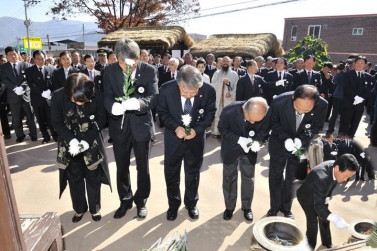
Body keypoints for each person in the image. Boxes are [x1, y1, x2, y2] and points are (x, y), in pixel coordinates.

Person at [103, 38, 158, 219]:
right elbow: (107, 96)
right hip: (119, 127)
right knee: (121, 167)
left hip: (141, 125)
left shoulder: (149, 70)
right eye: (123, 64)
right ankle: (125, 200)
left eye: (133, 64)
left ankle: (141, 201)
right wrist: (112, 107)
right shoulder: (109, 71)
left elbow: (153, 96)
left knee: (143, 167)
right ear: (116, 58)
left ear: (138, 58)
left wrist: (140, 103)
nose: (129, 68)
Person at [157, 65, 216, 221]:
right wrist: (175, 127)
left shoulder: (209, 90)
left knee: (193, 173)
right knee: (171, 174)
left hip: (195, 140)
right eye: (185, 92)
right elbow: (162, 113)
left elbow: (210, 114)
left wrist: (197, 130)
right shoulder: (166, 89)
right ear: (178, 84)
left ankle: (191, 204)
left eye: (193, 92)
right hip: (173, 139)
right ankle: (173, 205)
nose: (189, 96)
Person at [51, 73, 111, 223]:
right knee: (74, 177)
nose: (80, 104)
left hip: (91, 142)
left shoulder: (97, 95)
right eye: (76, 100)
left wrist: (87, 141)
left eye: (84, 101)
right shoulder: (58, 96)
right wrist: (71, 141)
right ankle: (79, 209)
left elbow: (101, 119)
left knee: (93, 177)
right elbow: (57, 122)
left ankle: (94, 208)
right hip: (69, 144)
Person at [267, 85, 328, 219]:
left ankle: (286, 208)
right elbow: (272, 122)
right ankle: (274, 207)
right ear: (293, 97)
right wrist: (286, 139)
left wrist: (302, 140)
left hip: (299, 147)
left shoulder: (323, 105)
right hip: (278, 143)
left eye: (306, 110)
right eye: (298, 107)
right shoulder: (279, 101)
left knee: (291, 178)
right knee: (276, 176)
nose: (301, 112)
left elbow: (317, 127)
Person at [218, 97, 271, 221]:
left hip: (250, 152)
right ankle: (229, 207)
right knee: (229, 178)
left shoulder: (266, 112)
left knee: (248, 178)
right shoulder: (229, 111)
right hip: (231, 149)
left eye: (257, 120)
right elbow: (222, 129)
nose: (253, 123)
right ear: (243, 109)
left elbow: (264, 131)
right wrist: (240, 140)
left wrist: (255, 142)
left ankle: (247, 207)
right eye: (250, 119)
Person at [297, 154, 359, 250]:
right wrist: (334, 218)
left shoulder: (334, 167)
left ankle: (327, 243)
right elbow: (317, 206)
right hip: (307, 197)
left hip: (320, 195)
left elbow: (331, 184)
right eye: (346, 176)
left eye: (349, 177)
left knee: (325, 218)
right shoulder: (321, 177)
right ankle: (310, 247)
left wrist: (327, 198)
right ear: (338, 168)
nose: (346, 179)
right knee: (312, 222)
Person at [1, 46, 37, 142]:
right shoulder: (4, 67)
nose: (13, 56)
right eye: (10, 55)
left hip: (25, 95)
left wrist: (23, 87)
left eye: (15, 54)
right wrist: (14, 88)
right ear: (7, 56)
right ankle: (20, 135)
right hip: (13, 96)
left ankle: (33, 134)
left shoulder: (25, 65)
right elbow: (4, 79)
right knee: (16, 117)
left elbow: (28, 78)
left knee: (30, 116)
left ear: (17, 54)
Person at [25, 50, 58, 143]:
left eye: (42, 59)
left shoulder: (50, 69)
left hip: (48, 99)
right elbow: (31, 84)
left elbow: (53, 83)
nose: (40, 61)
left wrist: (49, 91)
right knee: (40, 120)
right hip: (37, 99)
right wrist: (41, 92)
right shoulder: (29, 71)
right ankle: (46, 137)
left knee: (51, 119)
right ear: (34, 59)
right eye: (38, 59)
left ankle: (55, 135)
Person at [339, 56, 373, 138]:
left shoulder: (369, 77)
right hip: (348, 103)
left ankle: (350, 140)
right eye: (357, 63)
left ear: (365, 65)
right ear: (354, 63)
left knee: (355, 123)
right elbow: (346, 87)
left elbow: (369, 89)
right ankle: (340, 141)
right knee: (345, 123)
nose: (359, 65)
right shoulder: (348, 74)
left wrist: (361, 99)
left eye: (362, 63)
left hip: (360, 105)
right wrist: (355, 97)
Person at [210, 56, 239, 137]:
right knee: (217, 115)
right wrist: (221, 81)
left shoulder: (234, 74)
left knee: (228, 115)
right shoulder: (216, 73)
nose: (225, 63)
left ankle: (227, 132)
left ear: (230, 63)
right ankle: (216, 132)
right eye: (224, 61)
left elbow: (236, 87)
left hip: (229, 99)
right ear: (221, 63)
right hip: (218, 98)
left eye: (227, 61)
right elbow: (212, 85)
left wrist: (231, 93)